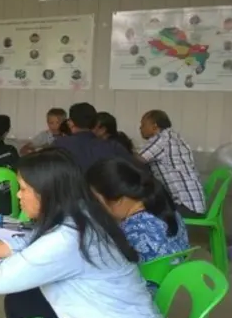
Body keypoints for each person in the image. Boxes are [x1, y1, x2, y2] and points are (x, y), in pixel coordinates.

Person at [0, 148, 162, 318]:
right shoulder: (83, 213)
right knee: (22, 300)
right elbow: (30, 243)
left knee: (20, 298)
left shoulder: (68, 239)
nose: (17, 196)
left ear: (46, 192)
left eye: (23, 189)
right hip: (126, 316)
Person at [87, 158, 190, 288]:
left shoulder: (132, 231)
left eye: (97, 200)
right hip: (176, 286)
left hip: (150, 295)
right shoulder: (168, 210)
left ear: (118, 200)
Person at [138, 110, 206, 216]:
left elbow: (138, 160)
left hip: (184, 205)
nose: (140, 128)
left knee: (141, 214)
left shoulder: (163, 139)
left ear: (154, 126)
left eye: (143, 124)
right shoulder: (172, 136)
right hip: (191, 204)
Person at [53, 102, 132, 171]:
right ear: (95, 123)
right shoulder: (113, 147)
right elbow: (136, 173)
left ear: (70, 123)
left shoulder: (59, 145)